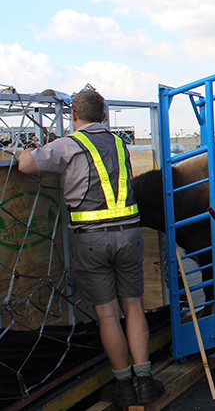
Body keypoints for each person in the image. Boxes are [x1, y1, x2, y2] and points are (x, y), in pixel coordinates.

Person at [16, 87, 165, 407]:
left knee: (108, 315)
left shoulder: (68, 145)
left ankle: (124, 385)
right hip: (129, 235)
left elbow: (27, 166)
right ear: (106, 115)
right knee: (134, 307)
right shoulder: (120, 144)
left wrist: (28, 150)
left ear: (73, 116)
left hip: (91, 240)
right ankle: (146, 381)